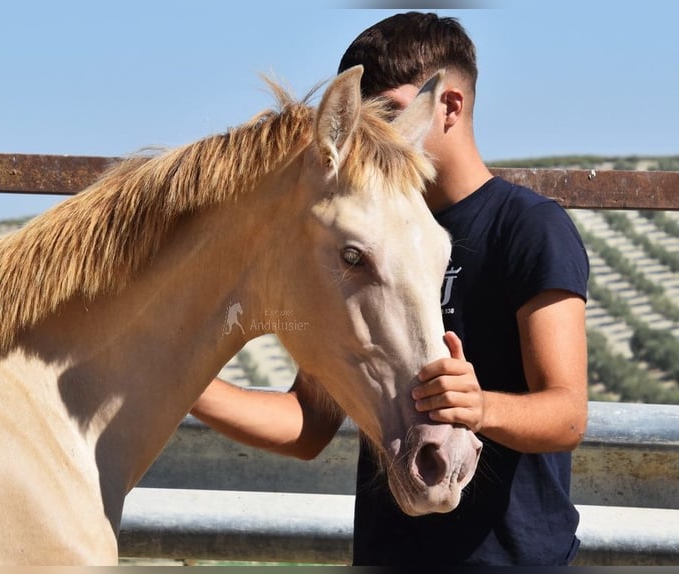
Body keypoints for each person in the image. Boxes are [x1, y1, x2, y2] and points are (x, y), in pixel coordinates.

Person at [190, 11, 590, 566]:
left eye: (392, 114)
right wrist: (184, 382)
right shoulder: (365, 244)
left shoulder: (528, 228)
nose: (374, 137)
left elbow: (567, 415)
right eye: (365, 120)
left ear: (447, 106)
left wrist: (480, 408)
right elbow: (307, 425)